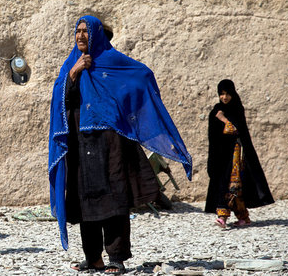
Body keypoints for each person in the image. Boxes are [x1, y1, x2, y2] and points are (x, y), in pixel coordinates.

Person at [49, 15, 192, 274]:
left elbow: (141, 75)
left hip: (110, 143)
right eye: (77, 31)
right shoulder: (70, 65)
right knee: (85, 200)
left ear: (96, 35)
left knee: (114, 197)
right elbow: (62, 101)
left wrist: (129, 114)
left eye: (86, 31)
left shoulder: (112, 62)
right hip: (81, 144)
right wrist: (75, 72)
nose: (81, 35)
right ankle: (93, 258)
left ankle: (116, 257)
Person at [205, 79, 273, 228]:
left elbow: (235, 130)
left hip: (236, 154)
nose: (224, 97)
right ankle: (240, 217)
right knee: (227, 183)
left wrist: (223, 119)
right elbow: (213, 135)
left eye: (227, 94)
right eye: (222, 94)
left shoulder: (236, 109)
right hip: (222, 155)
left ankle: (226, 216)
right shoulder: (216, 110)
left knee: (234, 184)